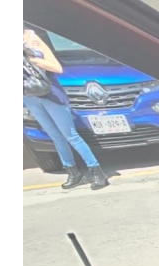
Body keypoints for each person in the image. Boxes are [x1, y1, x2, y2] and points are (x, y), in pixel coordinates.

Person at [23, 28, 109, 190]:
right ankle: (73, 173)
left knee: (71, 136)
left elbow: (57, 67)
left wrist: (30, 58)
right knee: (56, 137)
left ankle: (97, 172)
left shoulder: (33, 39)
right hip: (29, 96)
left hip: (50, 94)